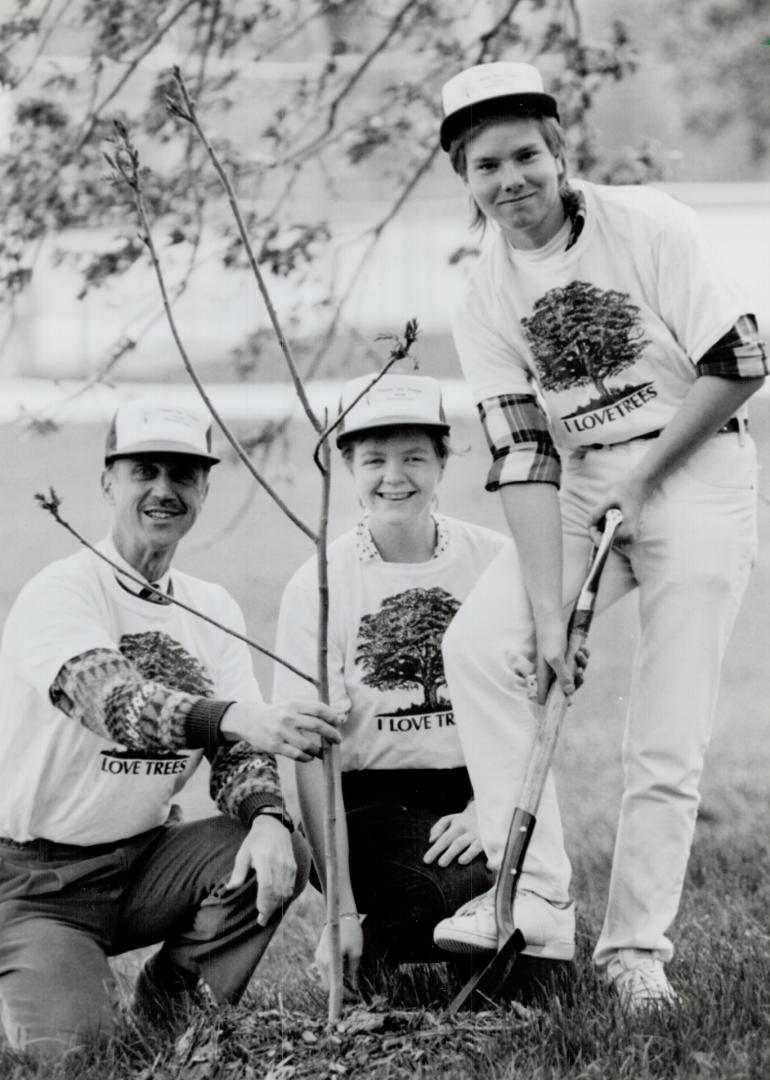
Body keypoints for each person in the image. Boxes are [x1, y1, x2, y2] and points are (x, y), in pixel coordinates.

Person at [429, 62, 767, 1011]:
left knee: (664, 733)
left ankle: (633, 953)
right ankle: (534, 894)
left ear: (560, 149)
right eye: (486, 164)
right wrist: (548, 615)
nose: (511, 181)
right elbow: (525, 455)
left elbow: (740, 361)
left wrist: (649, 481)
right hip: (579, 482)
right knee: (483, 644)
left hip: (695, 467)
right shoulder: (485, 295)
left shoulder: (647, 224)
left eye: (526, 154)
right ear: (465, 177)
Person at [0, 401, 341, 1059]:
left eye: (183, 473)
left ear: (205, 489)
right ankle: (33, 973)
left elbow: (240, 750)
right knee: (79, 1058)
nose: (164, 489)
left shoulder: (209, 607)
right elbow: (113, 703)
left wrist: (270, 817)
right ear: (108, 482)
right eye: (144, 471)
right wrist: (236, 717)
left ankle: (170, 1013)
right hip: (36, 880)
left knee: (276, 849)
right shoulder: (63, 591)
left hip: (143, 858)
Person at [273, 373, 539, 996]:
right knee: (467, 893)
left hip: (476, 787)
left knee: (530, 918)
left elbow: (533, 701)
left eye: (415, 456)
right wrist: (338, 904)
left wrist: (488, 810)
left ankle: (431, 939)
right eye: (374, 459)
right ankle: (372, 949)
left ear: (444, 460)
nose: (395, 476)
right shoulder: (320, 582)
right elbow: (309, 754)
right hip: (366, 800)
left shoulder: (495, 561)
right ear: (346, 464)